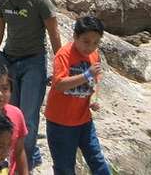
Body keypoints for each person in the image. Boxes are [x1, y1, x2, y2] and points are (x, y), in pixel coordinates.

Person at [0, 0, 62, 171]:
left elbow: (54, 32)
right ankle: (22, 155)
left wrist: (61, 65)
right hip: (9, 61)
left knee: (28, 116)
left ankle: (25, 165)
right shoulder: (2, 0)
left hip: (33, 62)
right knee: (10, 114)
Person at [44, 16, 111, 175]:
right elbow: (60, 84)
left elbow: (95, 82)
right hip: (60, 122)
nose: (90, 47)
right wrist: (86, 74)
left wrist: (94, 100)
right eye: (86, 41)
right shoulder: (64, 55)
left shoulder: (94, 56)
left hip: (83, 120)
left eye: (96, 43)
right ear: (75, 36)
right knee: (64, 166)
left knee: (96, 158)